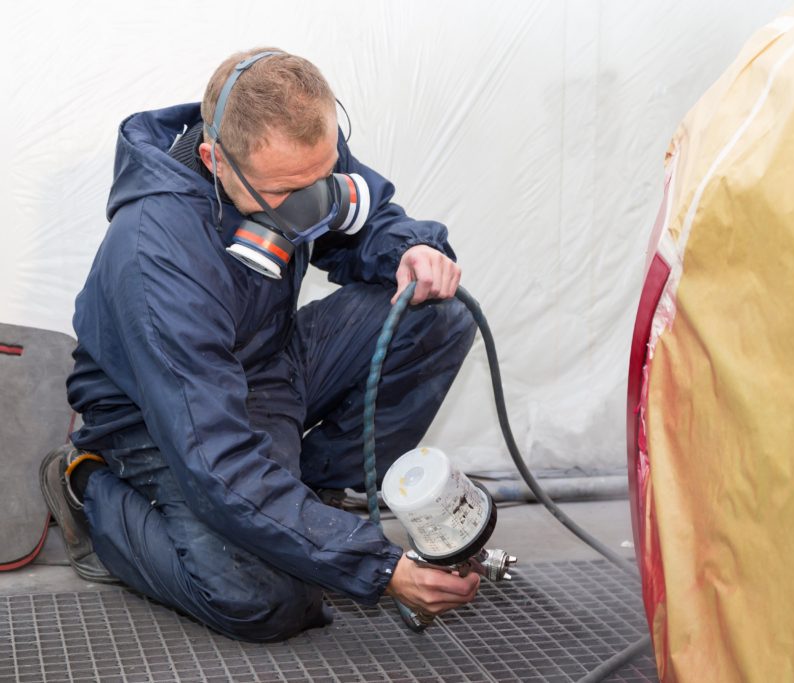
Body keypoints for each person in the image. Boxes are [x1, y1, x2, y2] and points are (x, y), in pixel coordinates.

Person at [39, 47, 481, 642]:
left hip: (266, 364)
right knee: (269, 600)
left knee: (436, 313)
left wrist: (408, 248)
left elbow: (363, 218)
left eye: (320, 179)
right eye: (285, 193)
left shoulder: (293, 151)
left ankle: (305, 501)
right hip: (154, 419)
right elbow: (213, 453)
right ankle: (91, 494)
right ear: (212, 159)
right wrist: (374, 566)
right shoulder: (156, 251)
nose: (308, 201)